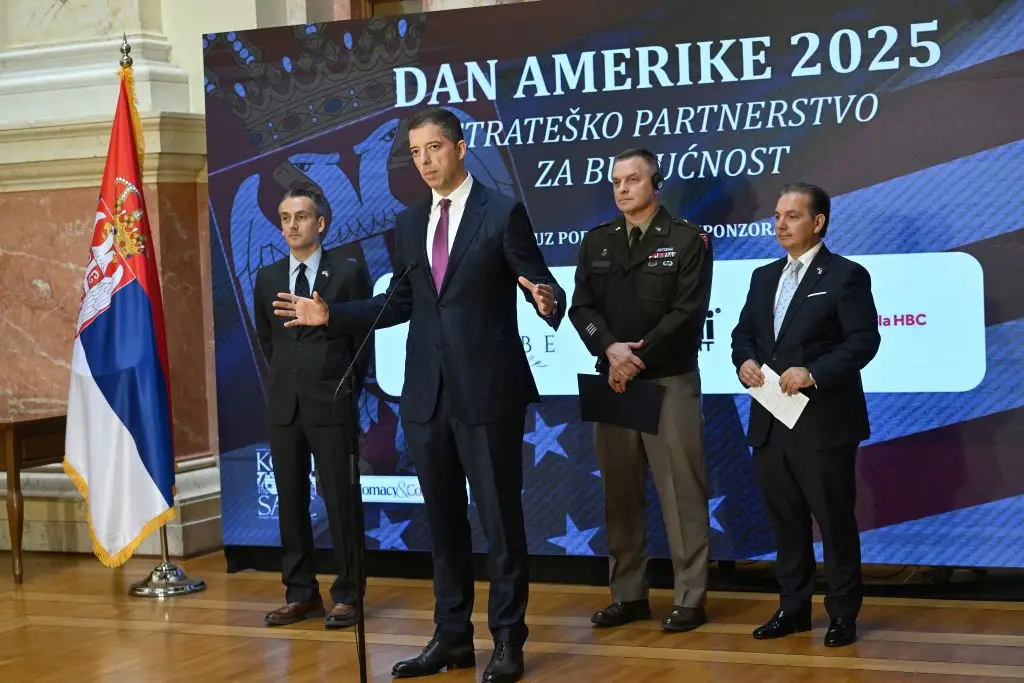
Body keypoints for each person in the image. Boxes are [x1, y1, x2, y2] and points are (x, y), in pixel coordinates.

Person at [273, 107, 565, 683]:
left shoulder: (501, 212)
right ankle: (452, 636)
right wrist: (332, 314)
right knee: (444, 523)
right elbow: (402, 302)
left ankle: (508, 639)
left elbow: (541, 281)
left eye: (434, 148)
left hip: (487, 394)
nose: (425, 161)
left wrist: (546, 297)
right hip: (426, 397)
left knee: (500, 523)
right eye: (415, 152)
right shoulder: (410, 222)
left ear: (459, 148)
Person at [568, 148, 713, 633]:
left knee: (681, 492)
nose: (622, 189)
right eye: (616, 182)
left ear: (656, 183)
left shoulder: (687, 239)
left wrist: (635, 358)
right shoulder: (597, 241)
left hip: (667, 379)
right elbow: (582, 308)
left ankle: (690, 597)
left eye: (632, 180)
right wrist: (610, 349)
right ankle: (628, 595)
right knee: (620, 495)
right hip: (613, 380)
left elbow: (686, 313)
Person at [730, 182, 880, 647]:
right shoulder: (762, 277)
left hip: (823, 422)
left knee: (833, 523)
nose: (780, 224)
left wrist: (813, 372)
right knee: (786, 522)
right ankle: (793, 609)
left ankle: (842, 615)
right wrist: (744, 361)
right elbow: (742, 335)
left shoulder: (846, 275)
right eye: (777, 216)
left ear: (818, 222)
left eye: (792, 216)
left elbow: (863, 341)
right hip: (770, 418)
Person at [253, 186, 373, 630]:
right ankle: (300, 593)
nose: (292, 225)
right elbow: (269, 340)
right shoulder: (267, 277)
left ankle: (348, 594)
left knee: (340, 500)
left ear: (320, 223)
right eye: (285, 217)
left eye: (301, 216)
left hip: (332, 401)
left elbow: (362, 337)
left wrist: (343, 386)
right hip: (285, 405)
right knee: (290, 502)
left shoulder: (347, 272)